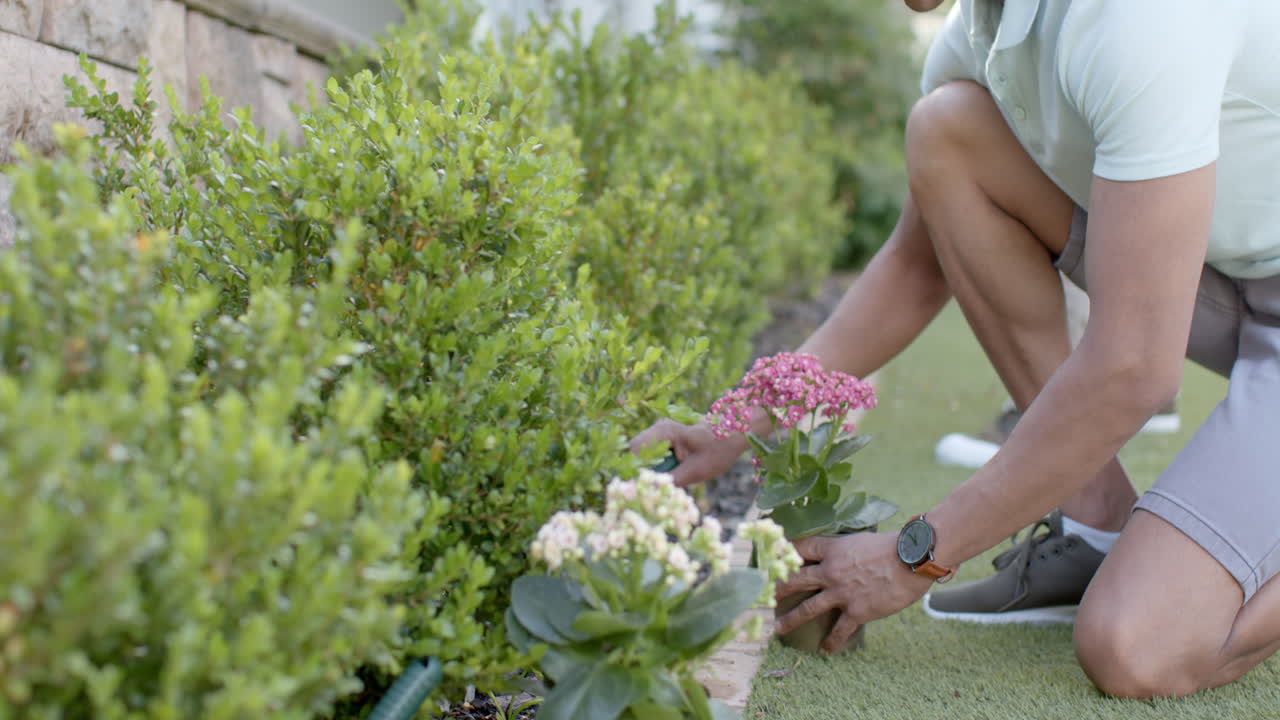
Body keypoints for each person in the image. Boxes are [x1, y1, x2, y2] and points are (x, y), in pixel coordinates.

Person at [632, 0, 1280, 699]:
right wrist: (730, 424)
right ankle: (1095, 525)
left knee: (1137, 647)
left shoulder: (1139, 20)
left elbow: (1133, 367)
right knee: (948, 133)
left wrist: (914, 556)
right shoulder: (982, 28)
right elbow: (916, 266)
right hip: (1234, 281)